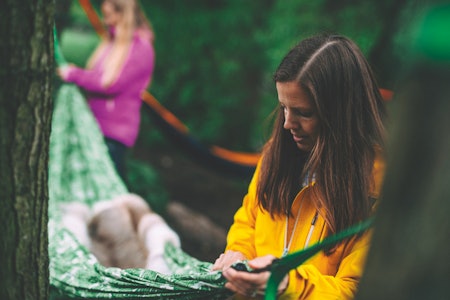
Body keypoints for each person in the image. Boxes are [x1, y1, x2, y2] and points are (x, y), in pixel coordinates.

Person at [212, 34, 387, 299]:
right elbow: (248, 219)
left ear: (341, 113)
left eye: (304, 113)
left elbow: (357, 290)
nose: (287, 124)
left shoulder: (379, 184)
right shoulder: (276, 153)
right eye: (284, 107)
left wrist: (288, 286)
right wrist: (240, 255)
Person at [58, 0, 155, 181]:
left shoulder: (141, 47)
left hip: (114, 134)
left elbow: (111, 84)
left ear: (122, 14)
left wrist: (73, 74)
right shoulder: (111, 43)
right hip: (96, 126)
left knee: (109, 189)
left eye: (109, 16)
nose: (106, 21)